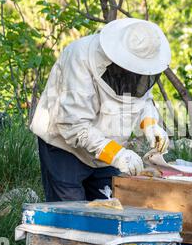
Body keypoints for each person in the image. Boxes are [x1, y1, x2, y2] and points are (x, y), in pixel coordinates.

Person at [30, 18, 171, 202]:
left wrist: (151, 125)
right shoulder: (79, 57)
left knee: (110, 209)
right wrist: (117, 155)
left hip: (106, 150)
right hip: (64, 148)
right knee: (71, 215)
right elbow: (74, 126)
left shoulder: (141, 68)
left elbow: (144, 101)